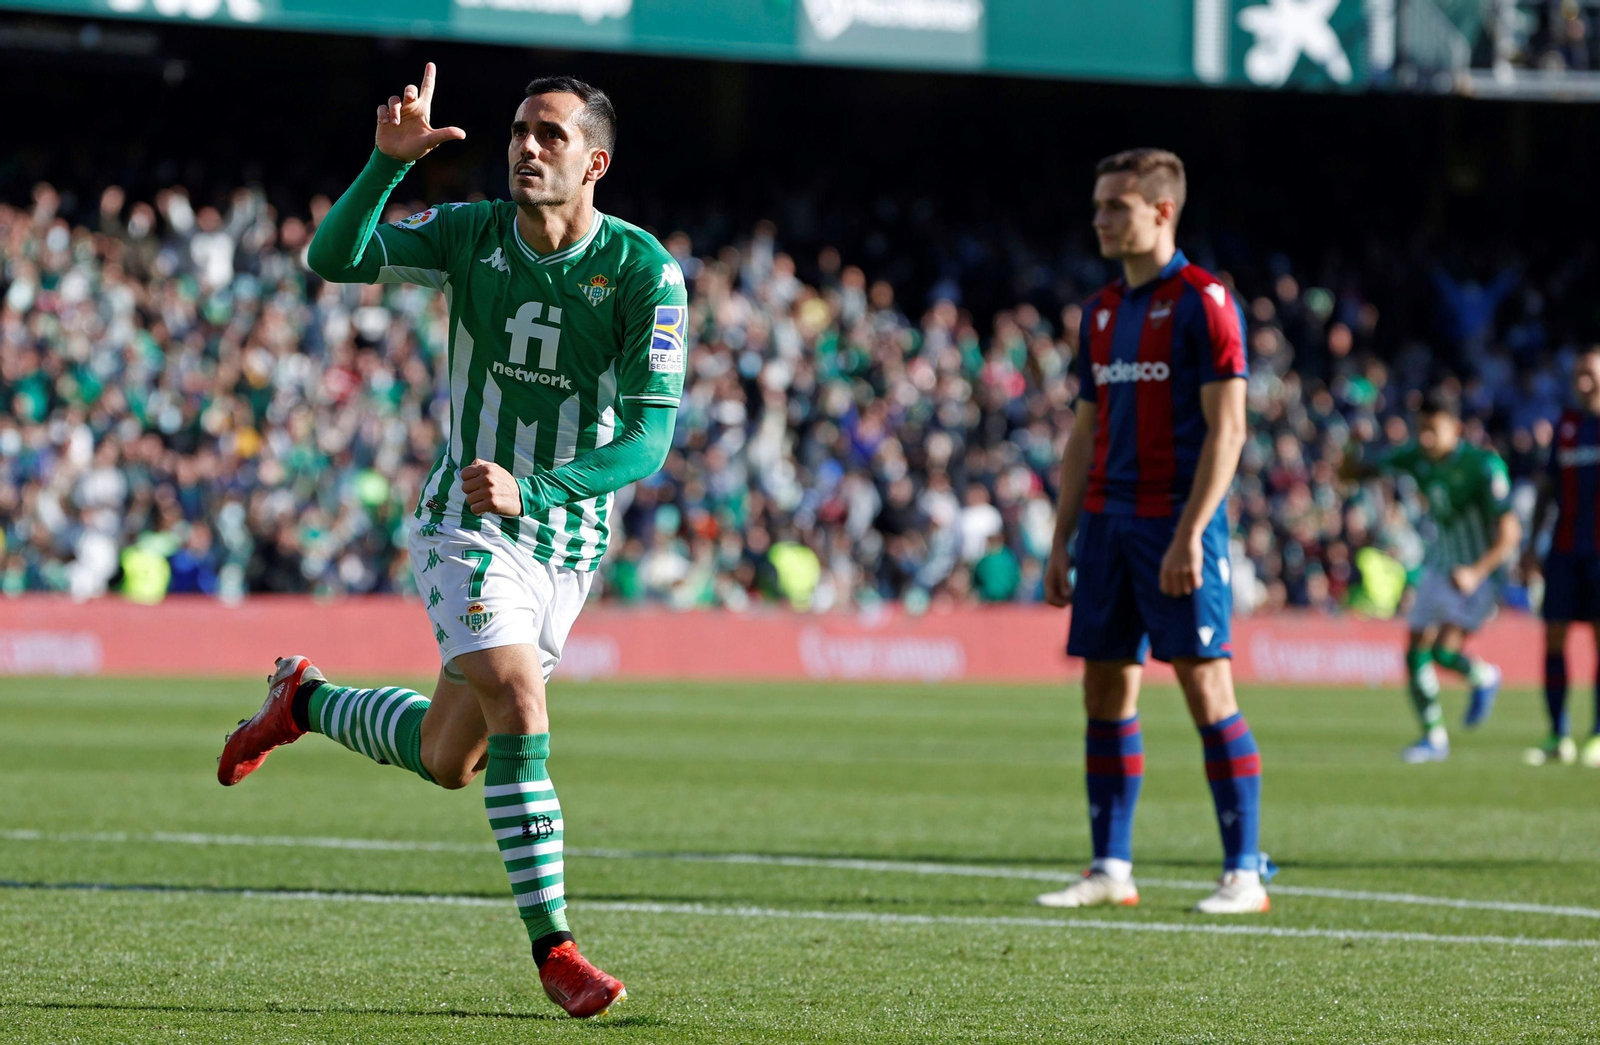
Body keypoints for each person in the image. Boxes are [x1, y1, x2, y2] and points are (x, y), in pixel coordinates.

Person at [215, 65, 688, 1019]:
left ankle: (302, 700)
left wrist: (541, 488)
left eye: (550, 134)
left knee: (448, 758)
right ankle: (556, 948)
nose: (526, 146)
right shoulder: (471, 233)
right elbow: (336, 258)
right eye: (520, 130)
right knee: (517, 698)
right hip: (462, 520)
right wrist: (385, 166)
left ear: (594, 161)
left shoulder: (644, 272)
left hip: (564, 538)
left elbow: (650, 437)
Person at [1035, 149, 1268, 915]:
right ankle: (1111, 866)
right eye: (1098, 205)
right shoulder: (1101, 311)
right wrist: (1061, 537)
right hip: (1105, 523)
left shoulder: (1206, 302)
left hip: (1176, 521)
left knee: (1206, 685)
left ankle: (1243, 872)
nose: (1100, 219)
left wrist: (1190, 534)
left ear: (1162, 211)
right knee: (1104, 689)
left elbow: (1228, 429)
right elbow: (1083, 432)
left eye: (1116, 207)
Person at [1348, 394, 1519, 763]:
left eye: (1433, 430)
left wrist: (1477, 571)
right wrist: (1353, 444)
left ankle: (1484, 677)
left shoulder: (1483, 466)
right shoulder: (1414, 457)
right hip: (1439, 566)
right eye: (1420, 429)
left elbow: (1510, 533)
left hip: (1479, 573)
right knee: (1414, 651)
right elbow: (1350, 474)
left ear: (1456, 429)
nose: (1425, 439)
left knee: (1443, 652)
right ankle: (1433, 738)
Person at [1522, 347, 1600, 767]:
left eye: (1590, 372)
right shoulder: (1566, 426)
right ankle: (1558, 734)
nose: (1583, 381)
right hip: (1566, 550)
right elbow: (1546, 490)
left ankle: (1599, 735)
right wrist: (1533, 546)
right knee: (1554, 637)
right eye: (1578, 374)